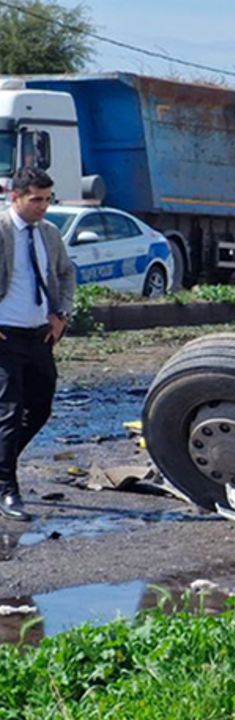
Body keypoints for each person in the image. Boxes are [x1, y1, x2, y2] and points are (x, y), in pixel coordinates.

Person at [0, 167, 76, 521]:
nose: (43, 206)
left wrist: (61, 314)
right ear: (15, 197)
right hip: (4, 334)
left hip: (39, 335)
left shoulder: (49, 233)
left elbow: (65, 273)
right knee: (9, 411)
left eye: (47, 199)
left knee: (40, 407)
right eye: (36, 200)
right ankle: (8, 491)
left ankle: (2, 464)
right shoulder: (1, 230)